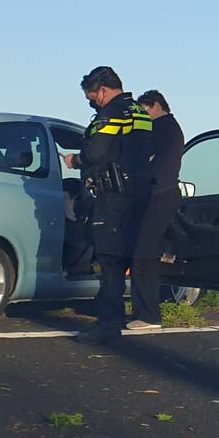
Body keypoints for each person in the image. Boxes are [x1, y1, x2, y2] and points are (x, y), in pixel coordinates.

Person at [63, 66, 153, 343]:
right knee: (125, 257)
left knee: (109, 261)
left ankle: (108, 325)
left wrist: (74, 161)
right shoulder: (139, 112)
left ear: (101, 90)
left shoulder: (110, 114)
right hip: (138, 195)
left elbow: (96, 152)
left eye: (91, 97)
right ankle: (119, 318)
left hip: (112, 196)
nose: (91, 102)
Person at [127, 90, 186, 331]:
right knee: (145, 253)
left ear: (156, 106)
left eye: (144, 110)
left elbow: (143, 158)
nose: (142, 116)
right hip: (165, 195)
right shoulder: (172, 129)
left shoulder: (163, 127)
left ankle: (149, 315)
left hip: (159, 196)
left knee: (144, 254)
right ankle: (146, 312)